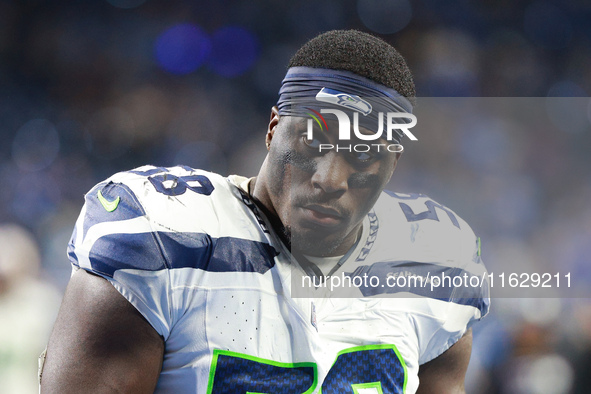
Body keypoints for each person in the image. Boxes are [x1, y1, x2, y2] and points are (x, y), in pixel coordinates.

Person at [40, 30, 489, 393]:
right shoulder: (164, 232)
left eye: (362, 155)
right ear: (273, 129)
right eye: (312, 143)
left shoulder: (435, 268)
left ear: (393, 165)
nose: (330, 179)